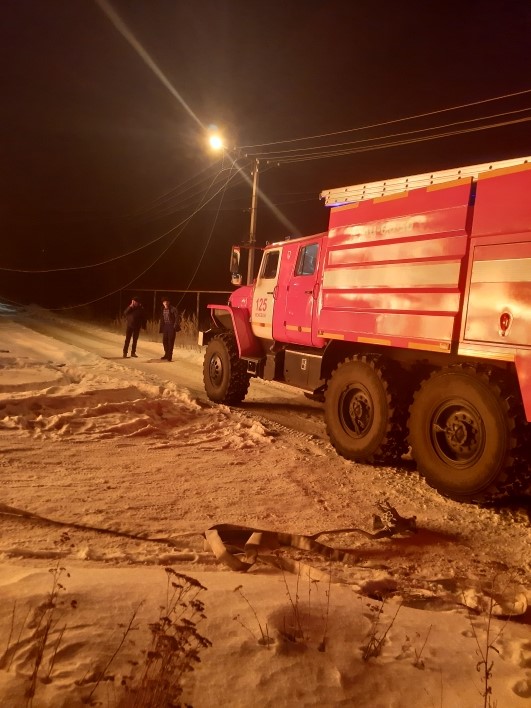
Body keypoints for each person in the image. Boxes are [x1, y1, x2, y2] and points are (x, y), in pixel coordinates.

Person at [158, 297, 181, 361]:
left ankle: (169, 356)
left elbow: (177, 318)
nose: (165, 303)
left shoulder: (173, 309)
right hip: (165, 326)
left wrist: (174, 326)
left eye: (167, 302)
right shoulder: (162, 309)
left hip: (171, 326)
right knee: (164, 341)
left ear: (169, 302)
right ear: (163, 303)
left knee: (170, 341)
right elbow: (162, 318)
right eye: (164, 302)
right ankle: (166, 354)